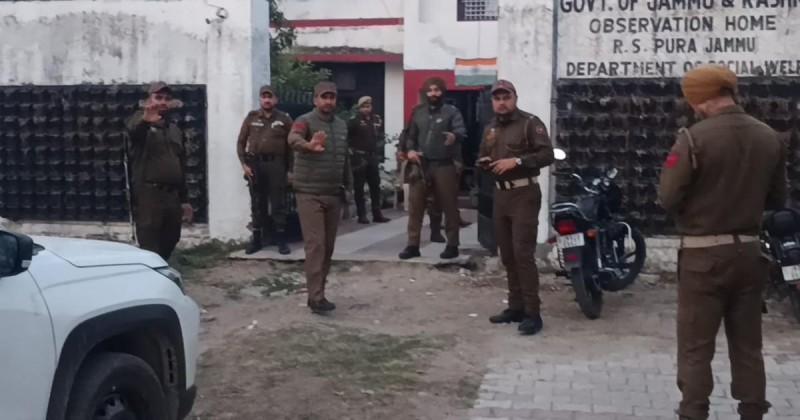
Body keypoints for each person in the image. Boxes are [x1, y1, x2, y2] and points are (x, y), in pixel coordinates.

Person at [658, 65, 787, 420]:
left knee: (696, 346)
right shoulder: (768, 137)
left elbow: (668, 197)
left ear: (701, 98)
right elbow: (778, 199)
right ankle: (753, 411)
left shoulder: (693, 139)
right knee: (748, 345)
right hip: (749, 253)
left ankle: (694, 411)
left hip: (703, 257)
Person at [479, 80, 554, 336]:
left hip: (524, 194)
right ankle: (516, 307)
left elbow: (547, 155)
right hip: (501, 195)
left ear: (515, 98)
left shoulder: (529, 123)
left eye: (506, 97)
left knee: (523, 254)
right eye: (497, 98)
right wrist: (484, 162)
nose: (502, 102)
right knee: (508, 255)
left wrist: (518, 161)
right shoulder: (490, 128)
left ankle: (533, 313)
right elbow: (483, 155)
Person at [288, 81, 352, 314]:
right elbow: (292, 139)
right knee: (316, 245)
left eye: (332, 97)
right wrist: (309, 145)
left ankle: (318, 293)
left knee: (328, 247)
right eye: (324, 97)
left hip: (333, 193)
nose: (328, 101)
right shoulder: (304, 121)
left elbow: (345, 159)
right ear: (315, 100)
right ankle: (316, 297)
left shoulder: (341, 126)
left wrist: (349, 188)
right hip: (309, 193)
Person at [398, 77, 466, 260]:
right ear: (425, 93)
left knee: (449, 206)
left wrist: (454, 136)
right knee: (415, 206)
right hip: (421, 165)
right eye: (430, 90)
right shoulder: (418, 112)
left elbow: (461, 132)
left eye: (437, 90)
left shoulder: (452, 112)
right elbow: (409, 136)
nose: (433, 93)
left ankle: (452, 245)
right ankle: (413, 245)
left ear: (442, 92)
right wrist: (410, 150)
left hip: (445, 164)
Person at [124, 82, 193, 260]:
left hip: (172, 195)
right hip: (149, 195)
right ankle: (151, 273)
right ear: (148, 100)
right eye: (158, 97)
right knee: (149, 242)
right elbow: (133, 131)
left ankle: (162, 268)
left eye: (166, 99)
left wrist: (184, 200)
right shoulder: (139, 121)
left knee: (171, 237)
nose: (162, 102)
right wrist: (145, 120)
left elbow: (180, 164)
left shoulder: (174, 129)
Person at [237, 85, 293, 255]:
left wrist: (291, 170)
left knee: (278, 203)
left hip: (276, 165)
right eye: (264, 97)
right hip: (255, 164)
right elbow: (241, 142)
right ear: (260, 99)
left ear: (276, 99)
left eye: (270, 97)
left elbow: (292, 146)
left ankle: (281, 240)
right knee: (257, 203)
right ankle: (257, 239)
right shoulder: (251, 117)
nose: (267, 100)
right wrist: (244, 164)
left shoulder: (284, 119)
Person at [347, 96, 390, 224]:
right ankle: (362, 215)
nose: (367, 109)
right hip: (359, 157)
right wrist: (351, 152)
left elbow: (379, 136)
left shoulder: (375, 120)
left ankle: (377, 213)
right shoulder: (354, 121)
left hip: (372, 157)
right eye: (364, 107)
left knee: (375, 185)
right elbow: (347, 138)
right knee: (359, 187)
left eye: (369, 106)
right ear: (359, 108)